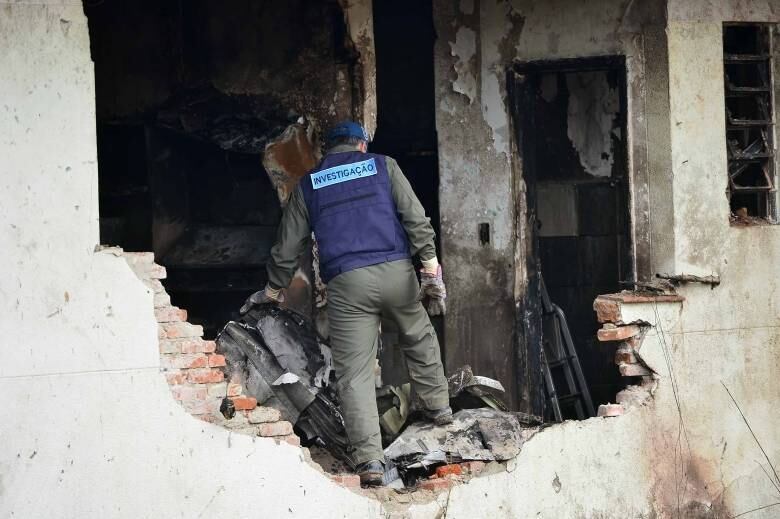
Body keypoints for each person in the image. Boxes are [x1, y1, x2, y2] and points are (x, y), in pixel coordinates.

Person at [241, 121, 450, 486]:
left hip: (347, 284)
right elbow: (416, 218)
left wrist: (273, 290)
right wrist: (430, 268)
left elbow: (288, 245)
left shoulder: (310, 183)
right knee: (417, 335)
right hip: (396, 272)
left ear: (328, 151)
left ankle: (370, 462)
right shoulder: (384, 166)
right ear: (361, 146)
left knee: (355, 373)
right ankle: (439, 408)